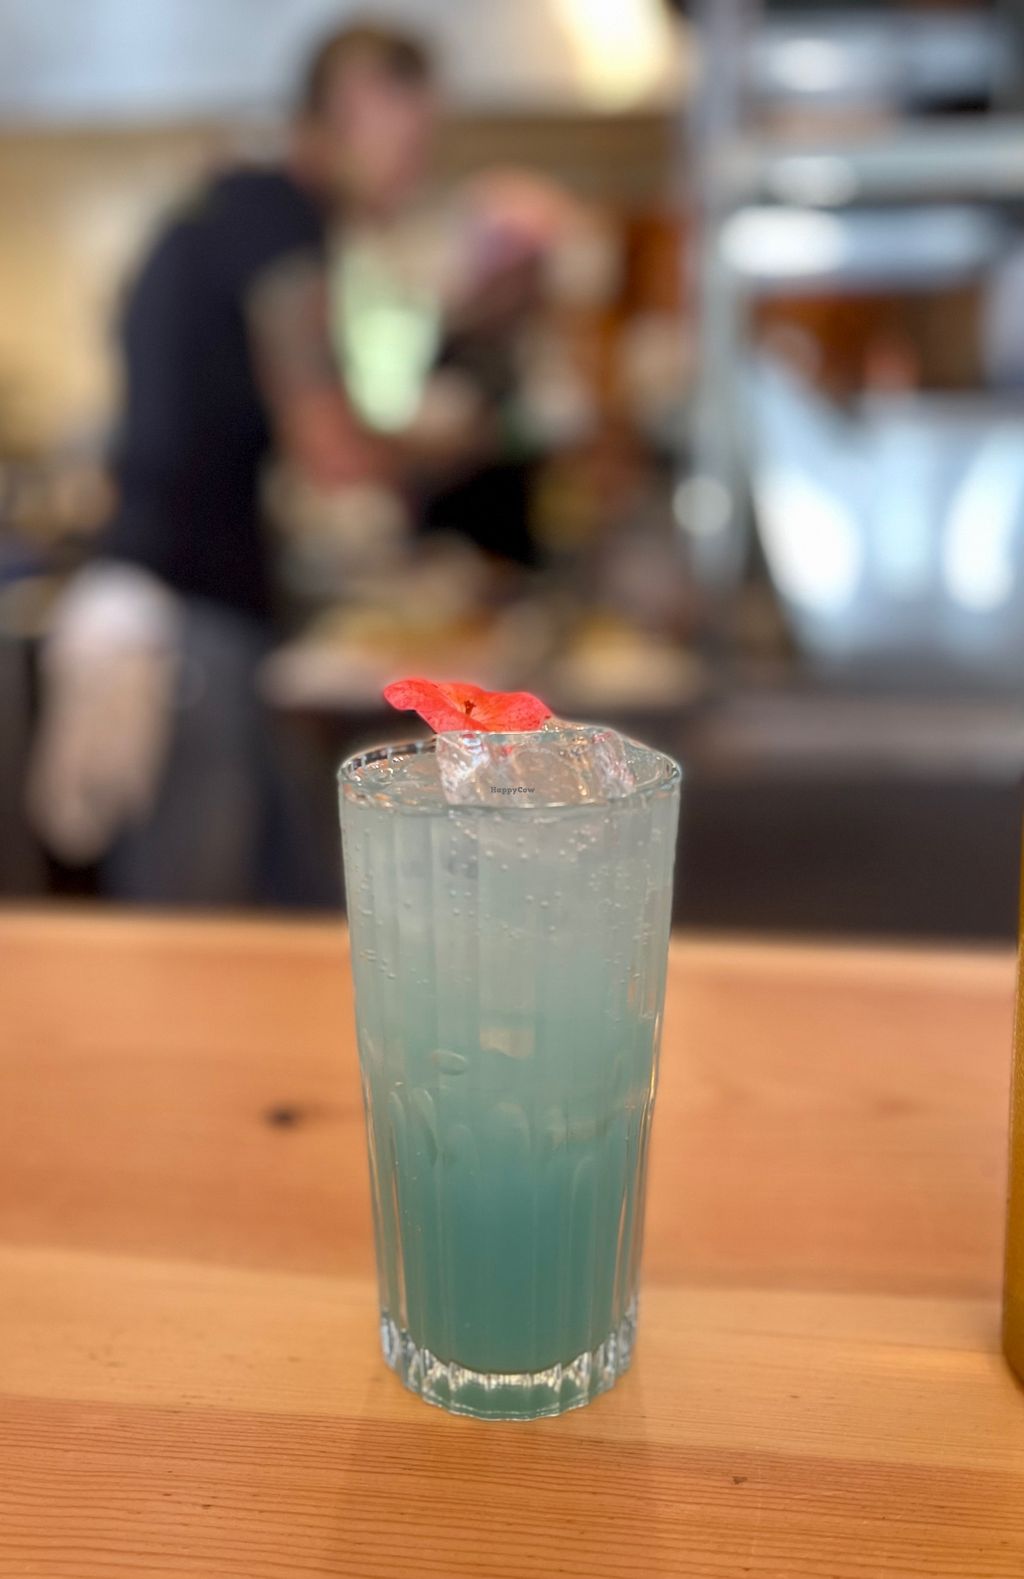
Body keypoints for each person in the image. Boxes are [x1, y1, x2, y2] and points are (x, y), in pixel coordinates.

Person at [29, 23, 443, 906]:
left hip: (198, 610)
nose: (416, 171)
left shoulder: (230, 209)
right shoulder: (276, 220)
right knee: (192, 925)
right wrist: (449, 439)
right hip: (184, 624)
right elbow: (332, 449)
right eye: (411, 143)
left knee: (282, 896)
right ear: (356, 105)